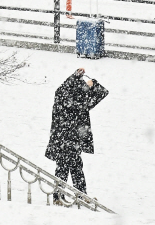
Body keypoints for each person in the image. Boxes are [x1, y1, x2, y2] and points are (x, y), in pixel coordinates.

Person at [45, 66, 108, 205]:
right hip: (68, 139)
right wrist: (91, 84)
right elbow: (100, 93)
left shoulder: (64, 97)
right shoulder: (79, 101)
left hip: (64, 138)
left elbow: (63, 88)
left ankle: (62, 196)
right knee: (72, 167)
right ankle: (73, 196)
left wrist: (76, 77)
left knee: (67, 167)